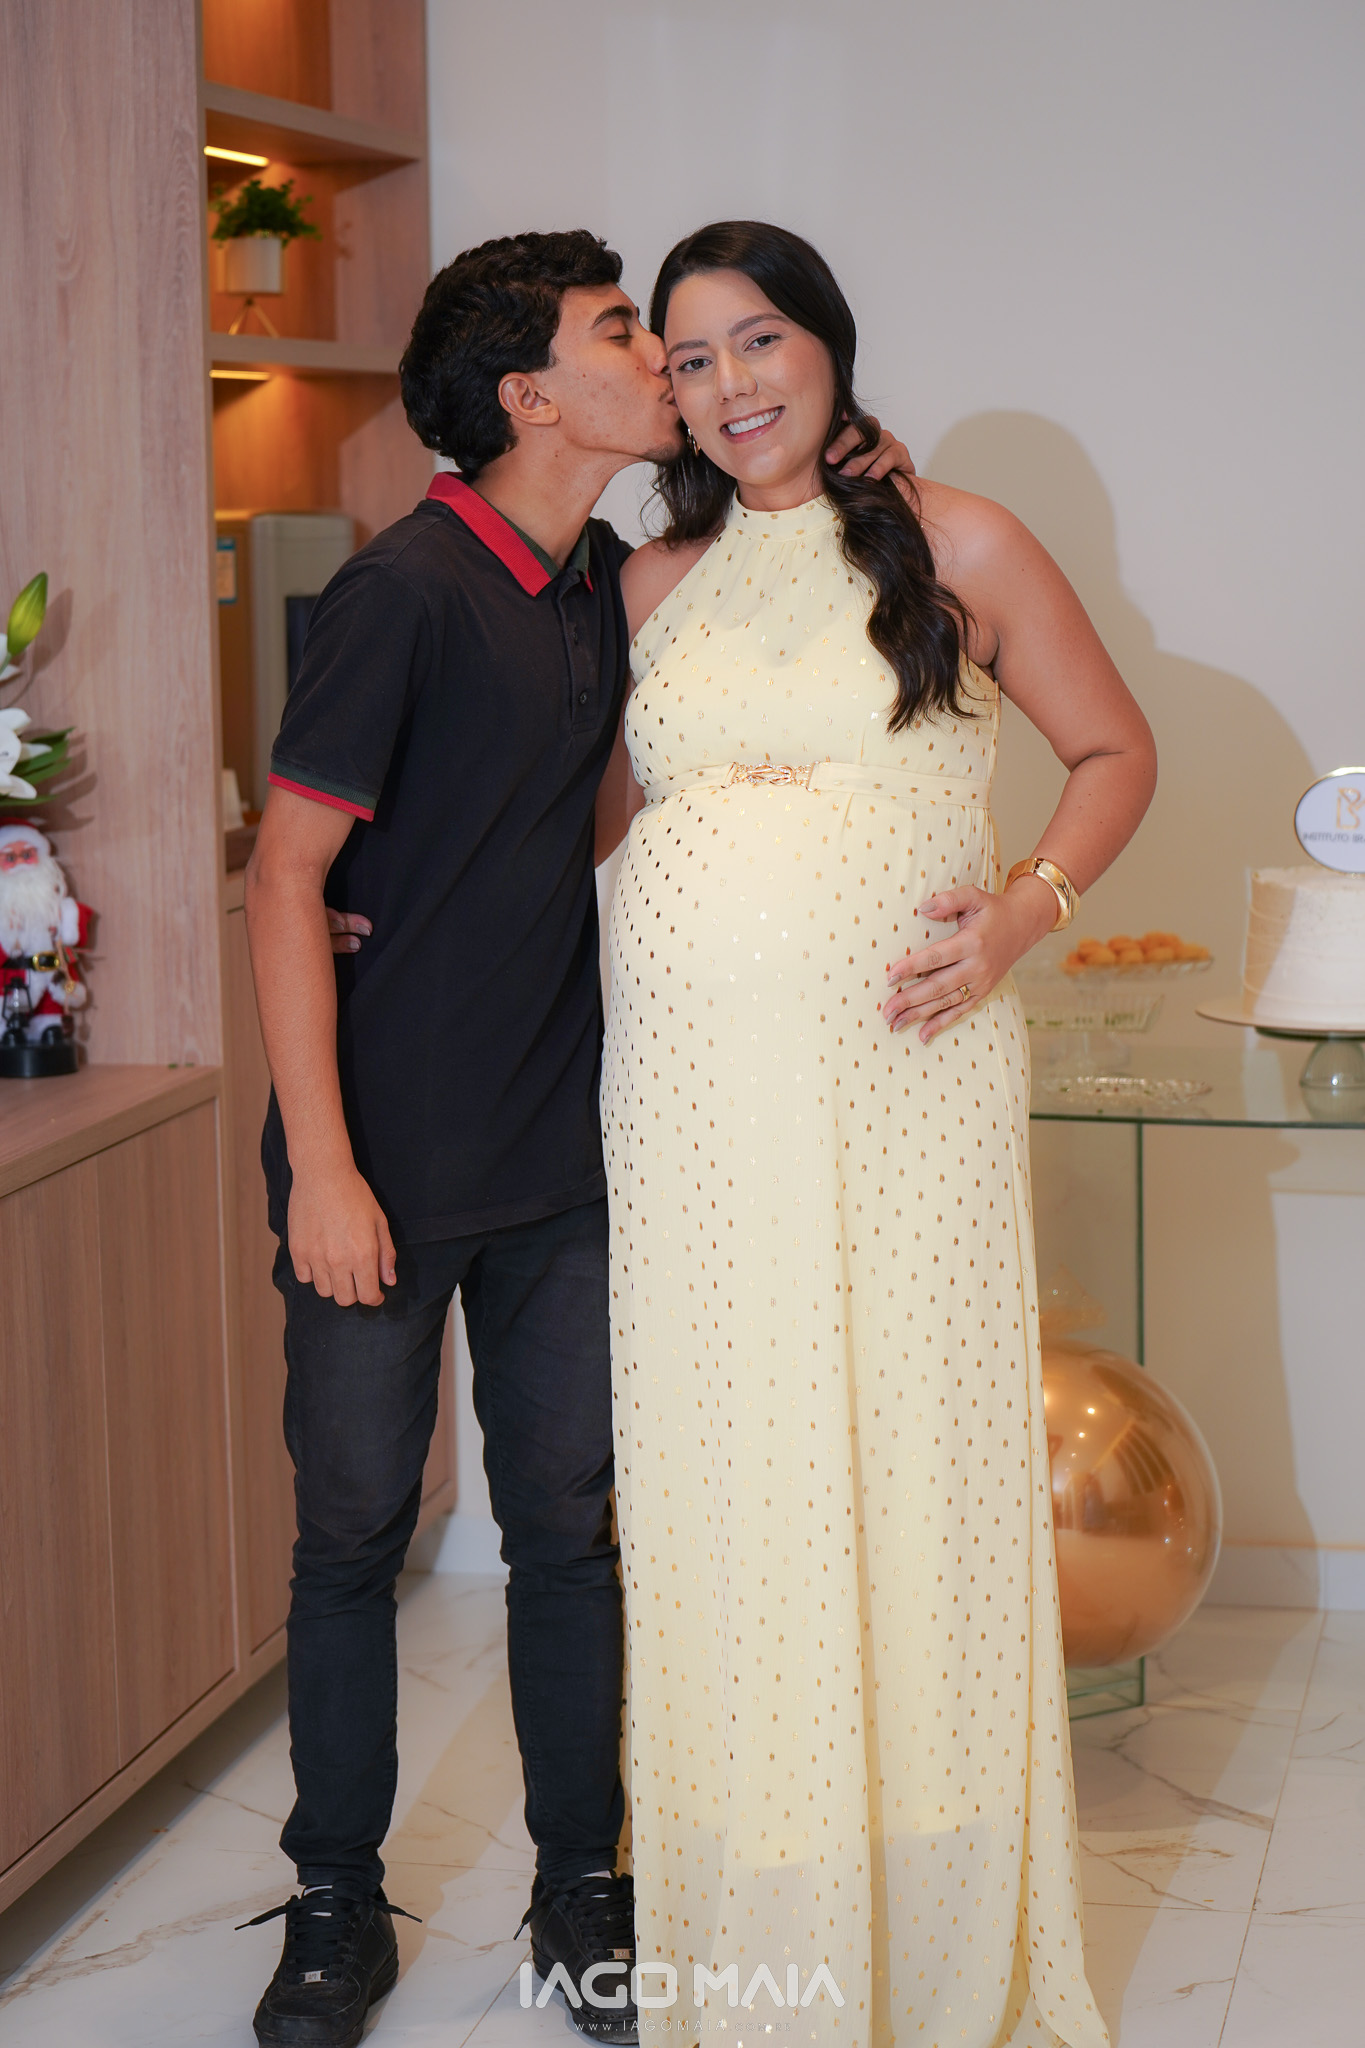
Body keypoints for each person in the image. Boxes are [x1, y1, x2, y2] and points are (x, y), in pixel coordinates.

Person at [242, 227, 916, 2048]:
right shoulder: (399, 593)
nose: (668, 364)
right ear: (531, 397)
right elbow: (287, 877)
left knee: (564, 1530)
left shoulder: (604, 579)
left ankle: (579, 1880)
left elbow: (604, 793)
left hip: (559, 1152)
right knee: (350, 1538)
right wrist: (324, 1170)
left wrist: (863, 462)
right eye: (628, 335)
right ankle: (331, 1898)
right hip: (376, 1169)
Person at [597, 221, 1156, 2045]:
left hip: (904, 1098)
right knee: (729, 1489)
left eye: (760, 339)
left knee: (909, 1479)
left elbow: (1114, 752)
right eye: (692, 358)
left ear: (826, 346)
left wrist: (1020, 915)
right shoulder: (648, 579)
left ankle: (929, 1939)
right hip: (689, 1128)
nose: (732, 383)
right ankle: (767, 1945)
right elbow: (588, 816)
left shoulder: (956, 538)